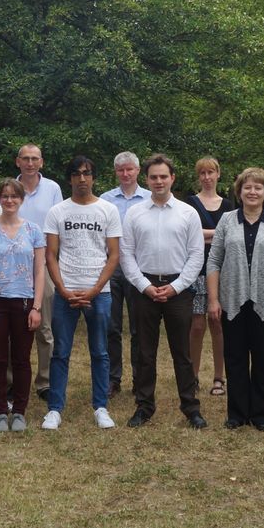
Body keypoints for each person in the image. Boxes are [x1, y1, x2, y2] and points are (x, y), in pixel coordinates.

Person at [120, 154, 207, 429]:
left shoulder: (187, 213)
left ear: (172, 178)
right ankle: (144, 408)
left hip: (178, 289)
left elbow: (196, 255)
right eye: (153, 177)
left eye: (163, 176)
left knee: (182, 352)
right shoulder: (134, 213)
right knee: (145, 352)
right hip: (144, 288)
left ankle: (191, 408)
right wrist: (145, 286)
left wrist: (176, 286)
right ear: (146, 179)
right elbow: (126, 254)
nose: (158, 181)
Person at [207, 167, 264, 431]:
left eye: (258, 187)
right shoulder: (226, 221)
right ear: (240, 191)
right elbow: (214, 260)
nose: (252, 191)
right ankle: (236, 414)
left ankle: (262, 414)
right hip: (232, 301)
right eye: (248, 187)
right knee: (234, 358)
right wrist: (213, 300)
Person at [42, 156, 121, 430]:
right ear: (70, 178)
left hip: (98, 292)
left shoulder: (108, 210)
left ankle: (100, 407)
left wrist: (95, 289)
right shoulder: (57, 211)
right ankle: (54, 409)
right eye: (76, 174)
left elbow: (113, 256)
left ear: (94, 177)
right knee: (60, 352)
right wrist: (62, 289)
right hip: (66, 292)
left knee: (100, 351)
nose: (82, 179)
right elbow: (50, 255)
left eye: (87, 173)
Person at [0, 179, 46, 432]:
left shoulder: (34, 231)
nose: (9, 200)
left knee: (22, 359)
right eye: (5, 196)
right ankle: (0, 411)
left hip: (25, 302)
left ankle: (20, 412)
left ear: (21, 200)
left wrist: (37, 307)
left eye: (14, 196)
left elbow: (39, 271)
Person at [15, 143, 63, 399]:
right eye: (26, 158)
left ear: (41, 162)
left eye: (35, 159)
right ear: (18, 161)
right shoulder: (11, 188)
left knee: (44, 327)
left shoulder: (53, 189)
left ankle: (44, 381)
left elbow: (59, 226)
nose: (30, 163)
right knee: (13, 325)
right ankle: (12, 380)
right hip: (12, 266)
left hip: (44, 263)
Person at [100, 151, 150, 395]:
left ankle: (140, 379)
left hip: (141, 270)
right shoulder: (105, 200)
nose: (126, 174)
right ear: (115, 172)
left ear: (138, 171)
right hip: (112, 269)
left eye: (130, 169)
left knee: (139, 328)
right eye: (121, 170)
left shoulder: (151, 198)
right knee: (111, 326)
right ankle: (112, 379)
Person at [185, 156, 234, 398]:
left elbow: (230, 235)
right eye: (202, 173)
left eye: (211, 172)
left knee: (218, 324)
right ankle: (192, 377)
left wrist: (205, 235)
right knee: (196, 325)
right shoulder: (190, 204)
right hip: (195, 272)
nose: (207, 177)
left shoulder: (228, 205)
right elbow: (189, 236)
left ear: (218, 174)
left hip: (223, 272)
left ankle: (219, 377)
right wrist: (216, 234)